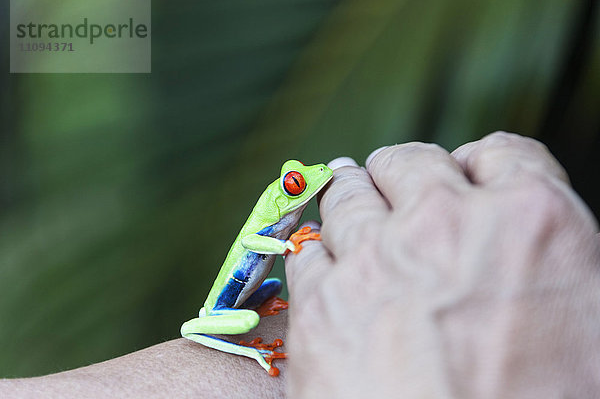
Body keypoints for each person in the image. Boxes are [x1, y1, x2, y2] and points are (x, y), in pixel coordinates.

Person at [1, 132, 598, 398]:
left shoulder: (285, 220)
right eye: (297, 183)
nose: (309, 185)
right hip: (220, 314)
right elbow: (263, 246)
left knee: (275, 281)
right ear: (285, 195)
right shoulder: (273, 227)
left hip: (258, 289)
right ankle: (255, 348)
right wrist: (264, 350)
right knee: (242, 314)